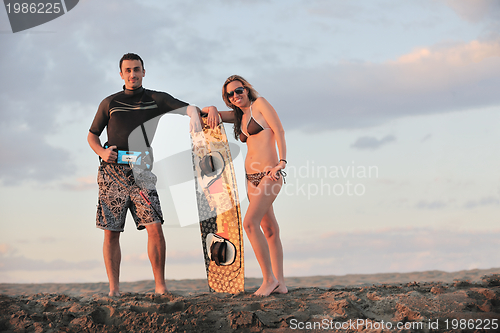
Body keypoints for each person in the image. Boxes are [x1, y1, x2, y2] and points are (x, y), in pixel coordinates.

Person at [87, 53, 202, 296]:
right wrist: (100, 152)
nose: (132, 74)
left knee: (155, 227)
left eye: (136, 69)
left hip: (142, 172)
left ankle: (160, 287)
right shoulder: (110, 102)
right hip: (112, 172)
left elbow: (189, 108)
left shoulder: (155, 99)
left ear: (144, 72)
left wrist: (196, 114)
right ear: (121, 74)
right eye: (127, 70)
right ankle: (114, 290)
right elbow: (92, 134)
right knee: (112, 232)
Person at [203, 75, 288, 296]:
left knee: (249, 223)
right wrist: (212, 107)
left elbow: (279, 130)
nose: (236, 96)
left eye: (239, 91)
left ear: (247, 90)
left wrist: (282, 162)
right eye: (230, 94)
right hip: (251, 179)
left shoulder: (260, 104)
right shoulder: (238, 116)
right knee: (269, 229)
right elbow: (204, 114)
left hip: (270, 174)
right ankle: (280, 283)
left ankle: (269, 279)